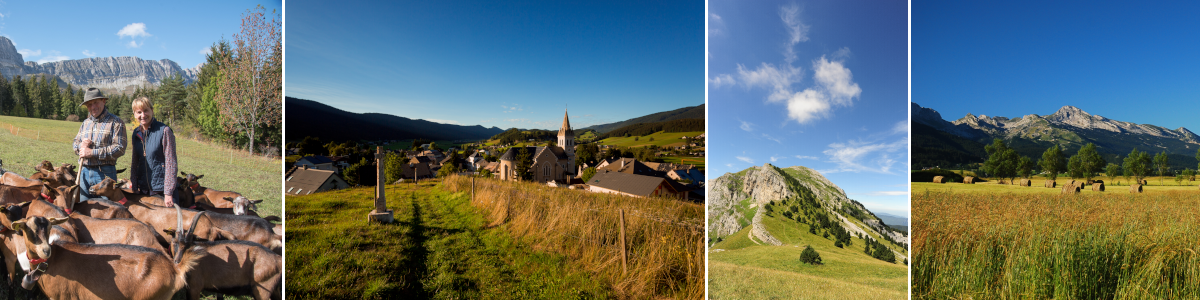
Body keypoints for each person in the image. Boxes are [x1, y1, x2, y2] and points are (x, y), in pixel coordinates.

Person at [73, 88, 127, 199]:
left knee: (106, 211)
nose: (93, 107)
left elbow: (120, 148)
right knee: (85, 210)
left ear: (103, 101)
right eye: (89, 104)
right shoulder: (85, 123)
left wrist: (92, 152)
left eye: (95, 102)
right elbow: (75, 143)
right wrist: (80, 146)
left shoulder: (116, 122)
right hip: (84, 172)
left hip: (105, 174)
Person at [128, 96, 182, 207]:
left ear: (152, 110)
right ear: (134, 114)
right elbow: (135, 161)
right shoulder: (136, 133)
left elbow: (171, 163)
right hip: (143, 191)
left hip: (162, 191)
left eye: (146, 110)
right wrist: (134, 183)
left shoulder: (164, 131)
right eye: (139, 112)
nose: (143, 115)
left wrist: (168, 192)